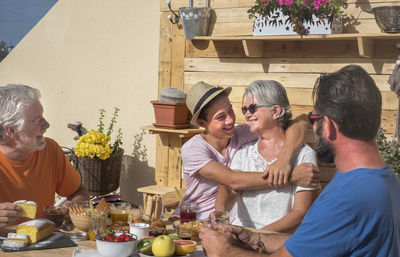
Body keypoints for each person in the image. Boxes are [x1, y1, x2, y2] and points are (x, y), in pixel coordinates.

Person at [199, 65, 400, 257]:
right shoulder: (388, 182)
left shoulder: (345, 199)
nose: (309, 126)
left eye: (313, 118)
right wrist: (252, 236)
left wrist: (224, 252)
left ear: (328, 126)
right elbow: (309, 244)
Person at [177, 81, 319, 220]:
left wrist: (284, 159)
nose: (231, 119)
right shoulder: (192, 149)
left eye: (230, 110)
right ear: (202, 124)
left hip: (228, 221)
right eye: (221, 117)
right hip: (195, 219)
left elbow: (299, 123)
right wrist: (292, 176)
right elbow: (232, 180)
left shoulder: (242, 133)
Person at [216, 80, 318, 232]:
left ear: (276, 111)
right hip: (242, 233)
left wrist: (258, 236)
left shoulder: (304, 155)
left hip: (280, 240)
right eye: (245, 110)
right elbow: (230, 188)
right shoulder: (244, 152)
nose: (247, 115)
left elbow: (300, 213)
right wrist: (219, 214)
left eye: (252, 108)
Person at [0, 84, 89, 228]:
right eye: (35, 120)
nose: (47, 124)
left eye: (42, 117)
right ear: (10, 129)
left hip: (46, 244)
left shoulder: (50, 149)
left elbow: (79, 192)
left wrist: (73, 206)